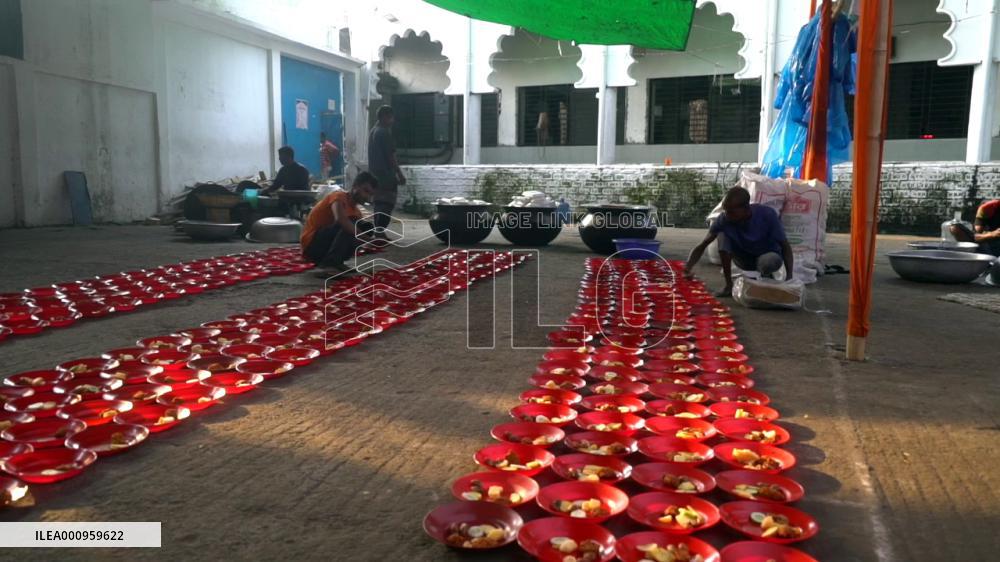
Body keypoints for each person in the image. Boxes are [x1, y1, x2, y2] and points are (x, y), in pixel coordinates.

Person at [684, 186, 795, 297]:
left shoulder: (767, 215)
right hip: (743, 260)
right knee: (722, 235)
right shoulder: (724, 219)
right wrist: (687, 267)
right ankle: (728, 286)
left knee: (768, 261)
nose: (728, 215)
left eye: (732, 212)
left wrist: (789, 277)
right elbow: (703, 245)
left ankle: (765, 279)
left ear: (746, 208)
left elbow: (785, 245)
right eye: (726, 211)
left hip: (767, 256)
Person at [300, 172, 377, 275]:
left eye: (370, 194)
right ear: (355, 186)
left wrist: (367, 238)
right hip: (312, 246)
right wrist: (367, 239)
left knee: (365, 227)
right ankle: (329, 264)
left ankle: (337, 262)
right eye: (365, 191)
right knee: (350, 224)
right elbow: (340, 219)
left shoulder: (357, 212)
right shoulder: (338, 196)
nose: (367, 196)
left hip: (325, 248)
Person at [367, 105, 407, 238]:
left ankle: (378, 230)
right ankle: (380, 229)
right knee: (387, 202)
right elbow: (391, 156)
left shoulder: (373, 131)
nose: (392, 120)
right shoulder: (383, 132)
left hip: (375, 173)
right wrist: (399, 174)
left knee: (378, 202)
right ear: (384, 117)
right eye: (390, 117)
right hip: (385, 174)